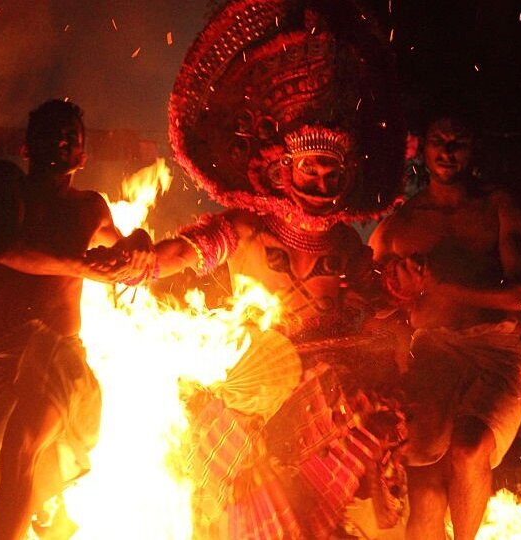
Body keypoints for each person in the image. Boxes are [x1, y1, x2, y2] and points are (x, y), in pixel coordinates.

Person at [115, 1, 409, 537]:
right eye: (310, 169)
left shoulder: (346, 244)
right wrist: (142, 261)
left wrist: (399, 298)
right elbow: (187, 252)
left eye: (330, 174)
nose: (320, 184)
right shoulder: (247, 227)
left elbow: (379, 316)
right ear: (282, 167)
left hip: (324, 410)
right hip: (248, 406)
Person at [0, 99, 144, 540]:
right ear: (28, 145)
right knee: (40, 488)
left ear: (83, 156)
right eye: (53, 131)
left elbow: (127, 254)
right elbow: (5, 249)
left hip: (59, 355)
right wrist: (83, 267)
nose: (64, 139)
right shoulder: (4, 182)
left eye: (74, 135)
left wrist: (141, 241)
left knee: (23, 452)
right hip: (5, 350)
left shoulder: (92, 208)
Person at [369, 113, 521, 540]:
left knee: (469, 447)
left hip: (493, 351)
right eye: (438, 141)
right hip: (432, 354)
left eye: (457, 141)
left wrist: (444, 286)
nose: (447, 151)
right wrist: (397, 292)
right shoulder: (401, 224)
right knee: (423, 485)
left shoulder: (498, 207)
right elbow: (369, 302)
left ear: (472, 147)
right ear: (423, 148)